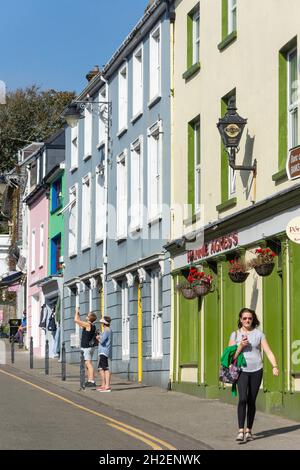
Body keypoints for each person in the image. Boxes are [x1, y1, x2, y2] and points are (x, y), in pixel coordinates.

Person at [229, 308, 279, 442]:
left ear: (253, 319)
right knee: (243, 399)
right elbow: (231, 357)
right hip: (241, 370)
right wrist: (240, 346)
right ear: (240, 320)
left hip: (257, 370)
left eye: (249, 318)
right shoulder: (235, 335)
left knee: (251, 400)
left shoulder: (259, 334)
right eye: (244, 318)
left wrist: (274, 366)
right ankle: (240, 430)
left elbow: (268, 351)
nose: (247, 320)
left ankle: (249, 430)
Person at [74, 307, 97, 388]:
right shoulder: (91, 325)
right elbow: (79, 323)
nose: (86, 316)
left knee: (88, 364)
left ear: (90, 318)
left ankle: (92, 381)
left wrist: (76, 311)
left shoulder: (88, 324)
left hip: (87, 347)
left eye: (87, 315)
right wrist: (77, 314)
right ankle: (89, 380)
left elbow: (76, 320)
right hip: (89, 347)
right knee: (88, 364)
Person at [96, 316, 112, 392]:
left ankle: (107, 385)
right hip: (103, 351)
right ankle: (103, 384)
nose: (102, 323)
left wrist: (98, 337)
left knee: (105, 368)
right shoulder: (106, 330)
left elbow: (102, 341)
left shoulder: (106, 330)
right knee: (101, 368)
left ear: (105, 323)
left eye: (102, 322)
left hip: (104, 351)